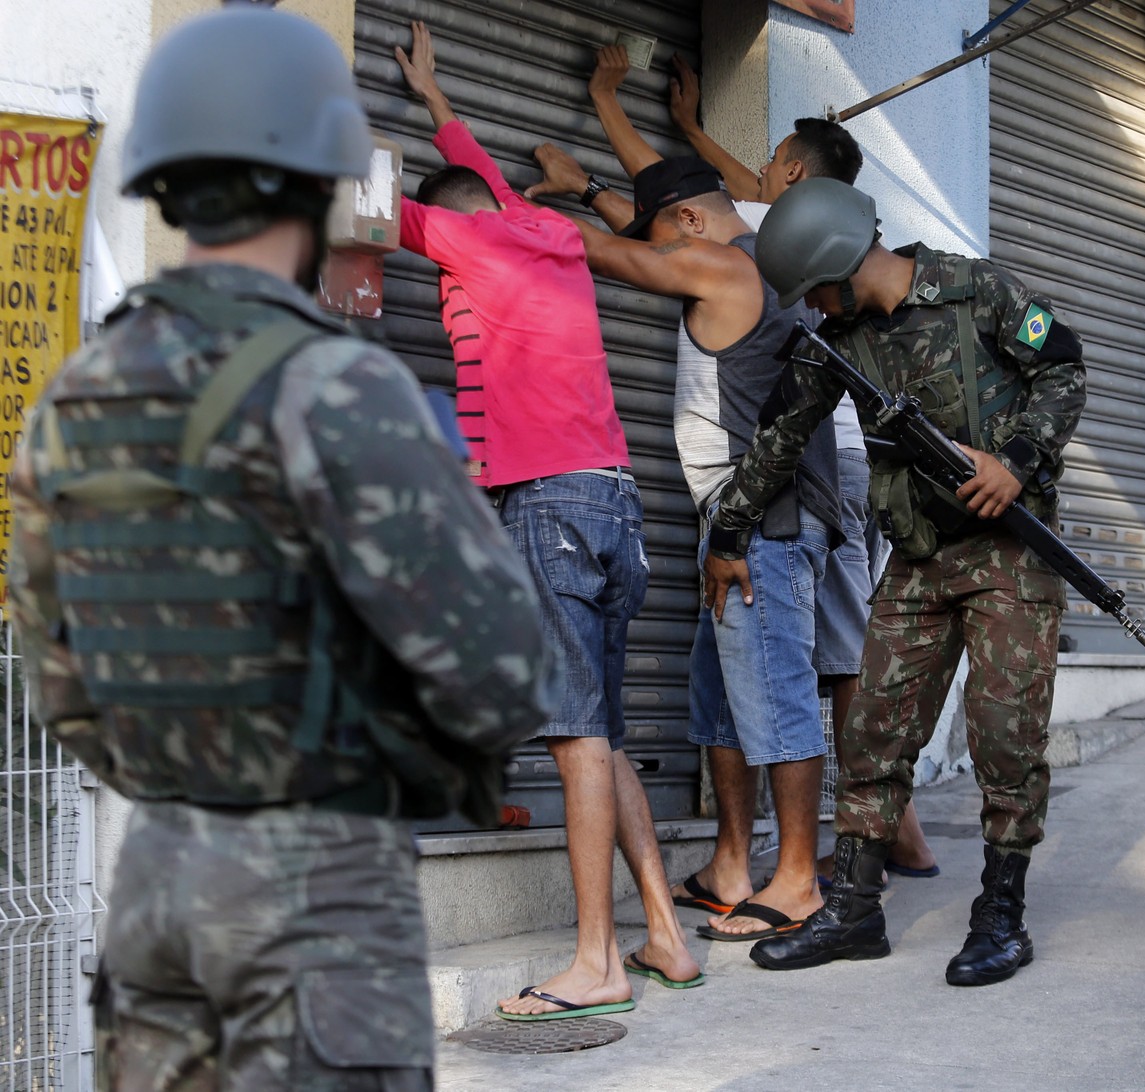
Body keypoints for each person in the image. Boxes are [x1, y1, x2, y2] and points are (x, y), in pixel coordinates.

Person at [6, 8, 558, 1088]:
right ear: (316, 187)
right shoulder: (336, 384)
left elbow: (57, 682)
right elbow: (506, 673)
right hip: (317, 887)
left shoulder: (73, 397)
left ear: (168, 183)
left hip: (156, 878)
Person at [702, 177, 1086, 988]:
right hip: (917, 555)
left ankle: (1001, 914)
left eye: (815, 292)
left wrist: (1016, 463)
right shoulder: (838, 339)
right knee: (874, 731)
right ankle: (855, 911)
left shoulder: (977, 289)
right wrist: (728, 530)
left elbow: (1064, 370)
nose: (813, 308)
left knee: (1005, 736)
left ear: (840, 270)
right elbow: (780, 436)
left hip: (1008, 556)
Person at [579, 45, 941, 899]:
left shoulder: (752, 253)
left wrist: (515, 204)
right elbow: (677, 200)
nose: (763, 171)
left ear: (793, 178)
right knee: (728, 690)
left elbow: (660, 231)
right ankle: (750, 863)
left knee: (796, 681)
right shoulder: (777, 245)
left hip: (777, 503)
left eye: (777, 162)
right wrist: (678, 129)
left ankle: (811, 874)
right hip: (754, 507)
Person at [391, 23, 702, 1017]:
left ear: (458, 230)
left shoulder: (465, 237)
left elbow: (356, 203)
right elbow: (479, 176)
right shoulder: (545, 232)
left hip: (550, 505)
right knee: (604, 735)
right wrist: (439, 102)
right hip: (613, 501)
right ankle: (663, 932)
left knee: (572, 739)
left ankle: (596, 962)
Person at [532, 146, 844, 941]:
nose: (670, 249)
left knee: (774, 696)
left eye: (671, 234)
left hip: (757, 526)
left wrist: (480, 206)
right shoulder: (768, 259)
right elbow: (641, 237)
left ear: (694, 222)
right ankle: (733, 865)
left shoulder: (723, 265)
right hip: (737, 524)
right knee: (723, 706)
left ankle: (799, 879)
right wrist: (593, 189)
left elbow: (609, 254)